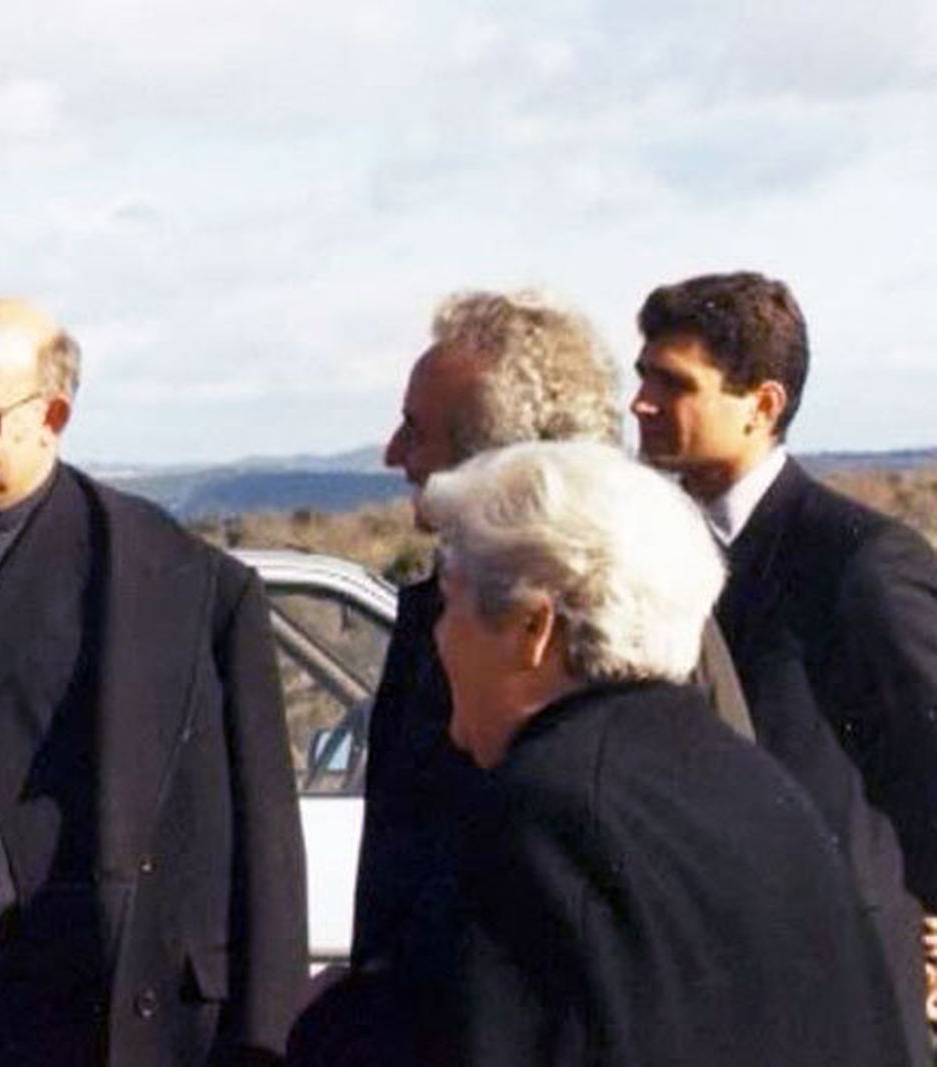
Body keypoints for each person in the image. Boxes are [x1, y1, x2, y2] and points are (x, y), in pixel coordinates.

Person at [291, 290, 749, 1061]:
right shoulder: (436, 614)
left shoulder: (643, 626)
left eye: (416, 428)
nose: (393, 454)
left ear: (496, 463)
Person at [0, 298, 307, 1065]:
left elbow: (244, 837)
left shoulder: (170, 581)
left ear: (54, 415)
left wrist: (1, 849)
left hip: (71, 1007)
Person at [373, 440, 908, 1065]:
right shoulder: (761, 787)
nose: (436, 638)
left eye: (449, 605)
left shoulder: (541, 820)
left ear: (532, 629)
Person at [632, 269, 937, 1064]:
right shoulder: (636, 555)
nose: (641, 403)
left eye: (673, 383)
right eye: (641, 377)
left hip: (836, 994)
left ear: (762, 405)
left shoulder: (857, 563)